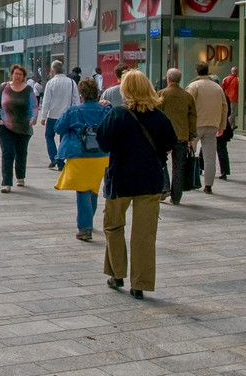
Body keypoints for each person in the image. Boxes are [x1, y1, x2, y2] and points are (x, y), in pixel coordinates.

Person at [97, 70, 177, 300]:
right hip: (149, 181)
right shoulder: (159, 116)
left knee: (113, 226)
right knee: (144, 235)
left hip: (120, 179)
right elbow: (171, 143)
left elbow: (103, 143)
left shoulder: (118, 115)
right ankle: (140, 283)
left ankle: (117, 272)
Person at [55, 77, 110, 240]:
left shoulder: (74, 111)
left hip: (80, 155)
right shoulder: (105, 110)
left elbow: (58, 128)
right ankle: (89, 221)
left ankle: (85, 228)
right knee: (92, 188)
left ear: (81, 93)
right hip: (101, 155)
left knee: (82, 190)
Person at [0, 64, 38, 193]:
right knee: (7, 153)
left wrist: (34, 118)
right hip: (5, 126)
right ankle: (6, 183)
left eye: (20, 74)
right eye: (16, 73)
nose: (18, 76)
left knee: (21, 153)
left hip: (23, 126)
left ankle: (20, 176)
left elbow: (34, 105)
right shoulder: (4, 87)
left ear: (23, 76)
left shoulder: (28, 89)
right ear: (11, 74)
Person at [156, 68, 197, 205]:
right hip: (182, 135)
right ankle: (176, 196)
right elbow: (192, 118)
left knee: (161, 162)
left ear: (168, 79)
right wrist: (191, 137)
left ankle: (164, 186)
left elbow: (156, 114)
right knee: (179, 166)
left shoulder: (161, 94)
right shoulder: (187, 96)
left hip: (164, 135)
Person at [186, 63, 227, 194]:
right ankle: (208, 185)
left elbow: (188, 106)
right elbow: (224, 107)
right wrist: (222, 126)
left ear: (196, 71)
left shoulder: (193, 86)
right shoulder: (217, 87)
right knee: (210, 156)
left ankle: (190, 179)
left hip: (196, 124)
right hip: (213, 124)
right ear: (208, 71)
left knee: (189, 153)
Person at [39, 61, 80, 170]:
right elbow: (76, 100)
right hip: (67, 116)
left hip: (53, 115)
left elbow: (46, 101)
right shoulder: (71, 82)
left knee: (49, 136)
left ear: (53, 71)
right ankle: (61, 161)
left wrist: (43, 117)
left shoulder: (50, 83)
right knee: (64, 139)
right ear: (63, 69)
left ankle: (53, 158)